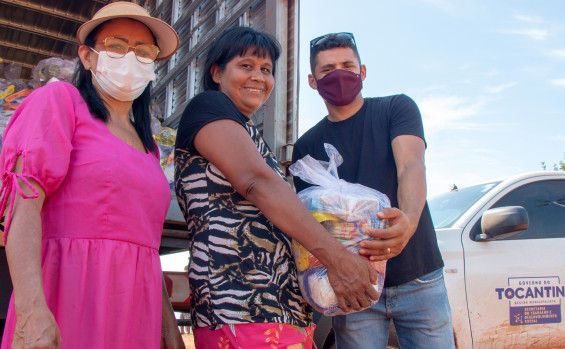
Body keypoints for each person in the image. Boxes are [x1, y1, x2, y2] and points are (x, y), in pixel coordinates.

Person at [174, 26, 381, 349]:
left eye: (266, 70)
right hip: (240, 305)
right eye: (246, 66)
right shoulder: (208, 107)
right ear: (216, 73)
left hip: (276, 308)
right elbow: (256, 183)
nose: (259, 76)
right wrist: (337, 258)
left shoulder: (250, 133)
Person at [0, 2, 184, 348]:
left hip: (135, 308)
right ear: (87, 56)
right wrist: (31, 310)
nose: (130, 58)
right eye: (116, 46)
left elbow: (145, 246)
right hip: (70, 296)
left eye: (144, 52)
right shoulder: (60, 101)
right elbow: (22, 208)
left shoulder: (150, 148)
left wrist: (167, 325)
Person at [291, 32, 455, 349]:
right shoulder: (307, 148)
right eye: (327, 70)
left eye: (347, 65)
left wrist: (407, 221)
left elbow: (411, 165)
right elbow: (313, 226)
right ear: (313, 81)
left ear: (362, 72)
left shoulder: (396, 109)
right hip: (354, 289)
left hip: (418, 278)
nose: (339, 74)